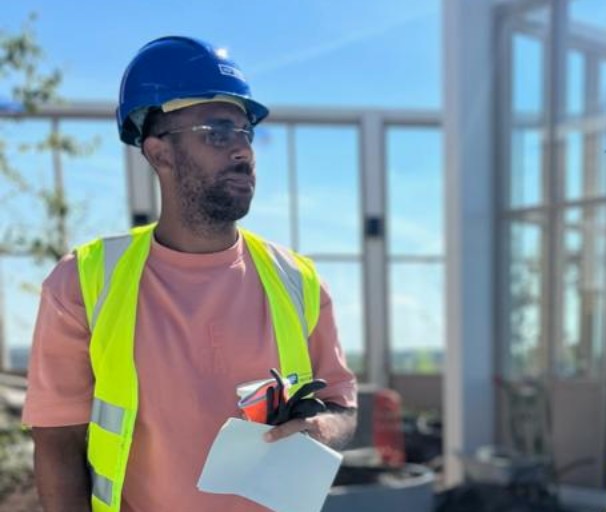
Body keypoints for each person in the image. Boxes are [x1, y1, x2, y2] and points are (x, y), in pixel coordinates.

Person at [22, 36, 358, 512]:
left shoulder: (297, 280)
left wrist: (325, 428)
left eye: (246, 132)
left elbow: (343, 404)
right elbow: (57, 445)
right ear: (159, 153)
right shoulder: (82, 282)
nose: (243, 151)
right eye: (218, 132)